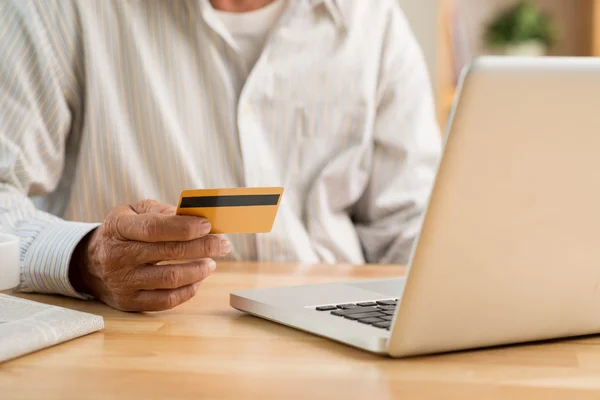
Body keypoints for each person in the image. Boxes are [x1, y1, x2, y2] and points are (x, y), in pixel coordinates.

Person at [0, 0, 441, 312]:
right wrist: (84, 258)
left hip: (342, 339)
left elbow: (413, 225)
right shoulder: (54, 10)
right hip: (143, 344)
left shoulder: (376, 22)